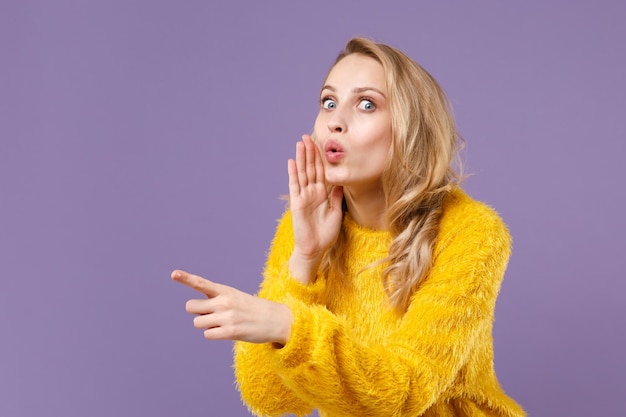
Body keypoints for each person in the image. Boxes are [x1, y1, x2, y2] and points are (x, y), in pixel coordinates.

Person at [172, 37, 526, 417]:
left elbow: (404, 393)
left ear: (411, 129)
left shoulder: (471, 231)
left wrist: (289, 326)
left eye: (367, 104)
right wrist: (304, 262)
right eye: (328, 103)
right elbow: (270, 400)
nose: (335, 122)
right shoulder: (305, 220)